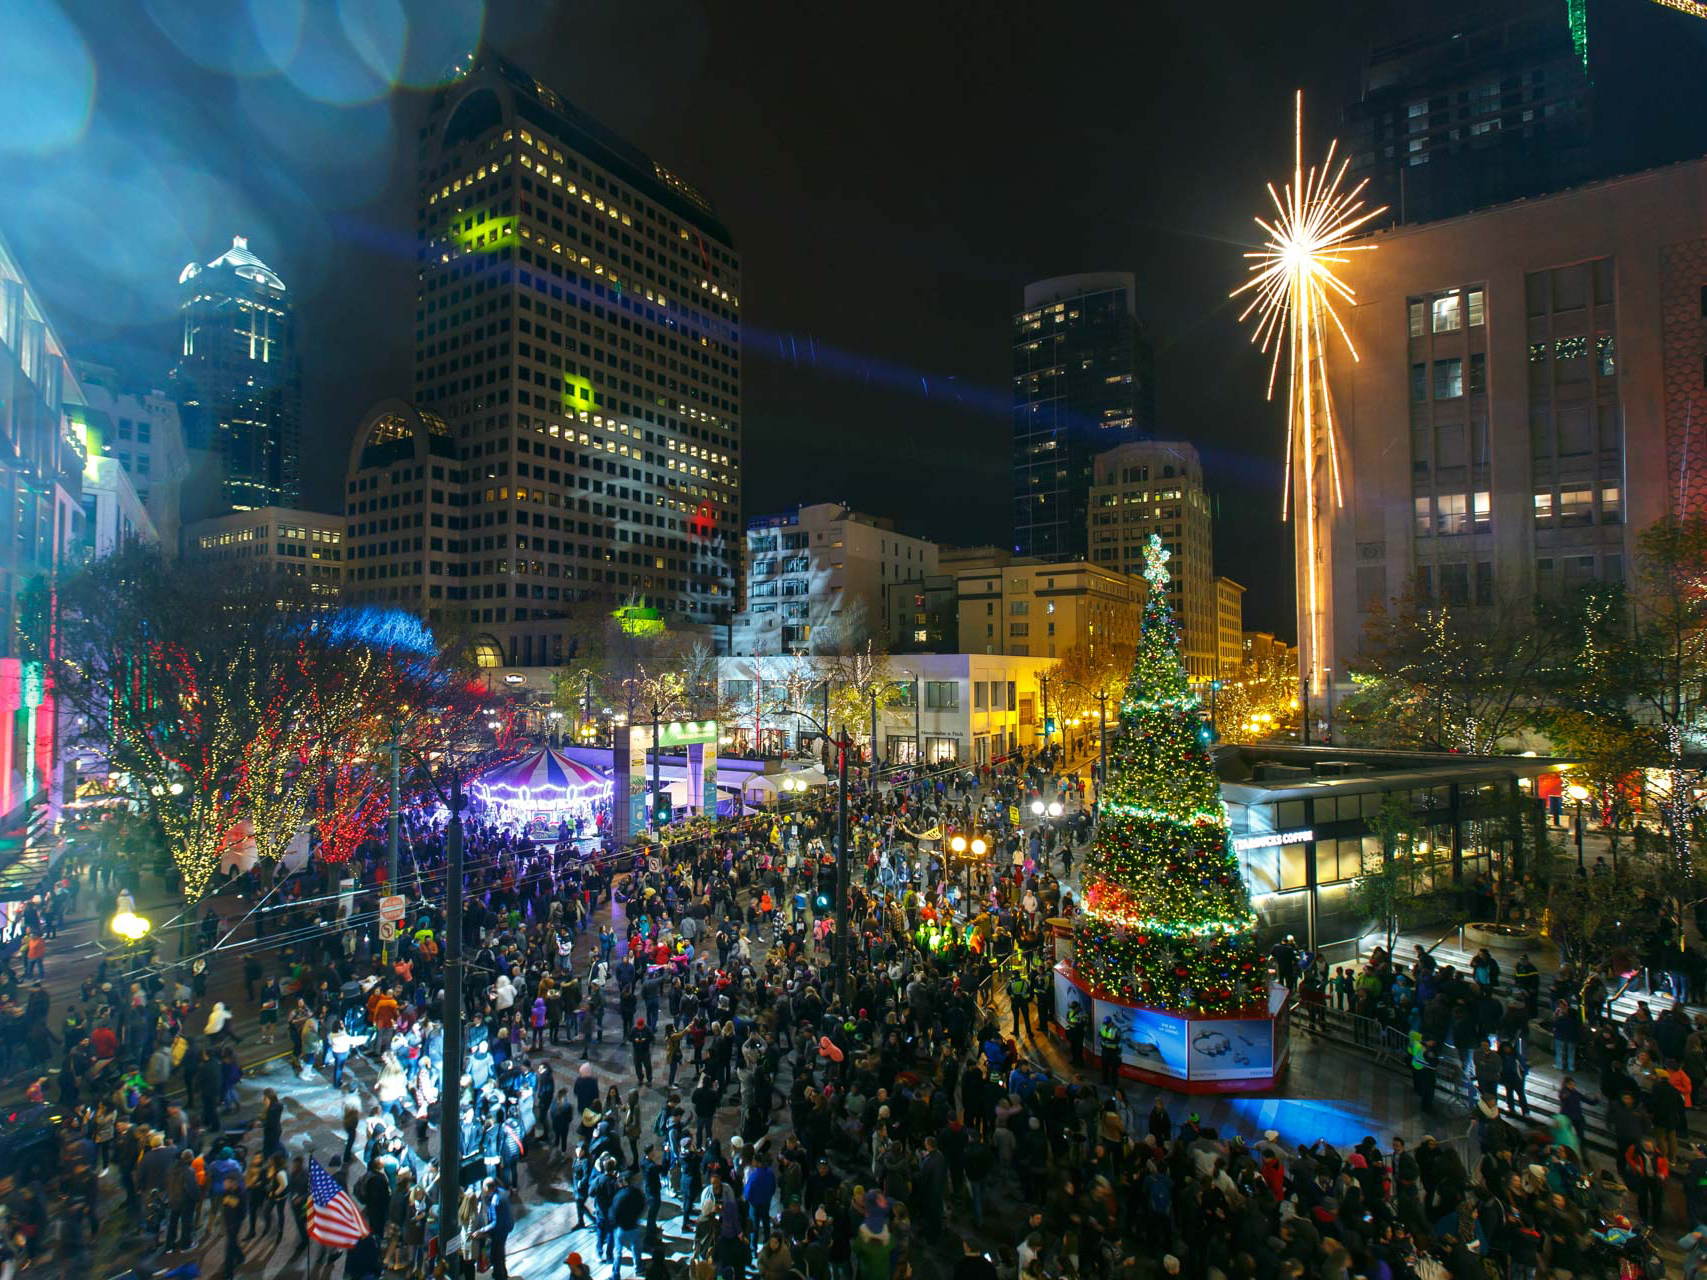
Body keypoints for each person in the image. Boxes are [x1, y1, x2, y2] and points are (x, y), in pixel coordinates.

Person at [1098, 1015, 1121, 1087]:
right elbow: (1099, 1034)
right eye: (1106, 1024)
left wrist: (1106, 1039)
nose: (1106, 1025)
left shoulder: (1116, 1029)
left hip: (1113, 1051)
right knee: (1104, 1066)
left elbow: (1117, 1040)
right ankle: (1105, 1081)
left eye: (1108, 1023)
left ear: (1111, 1022)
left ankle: (1114, 1083)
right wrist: (1103, 1038)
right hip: (1104, 1050)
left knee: (1114, 1068)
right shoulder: (1103, 1026)